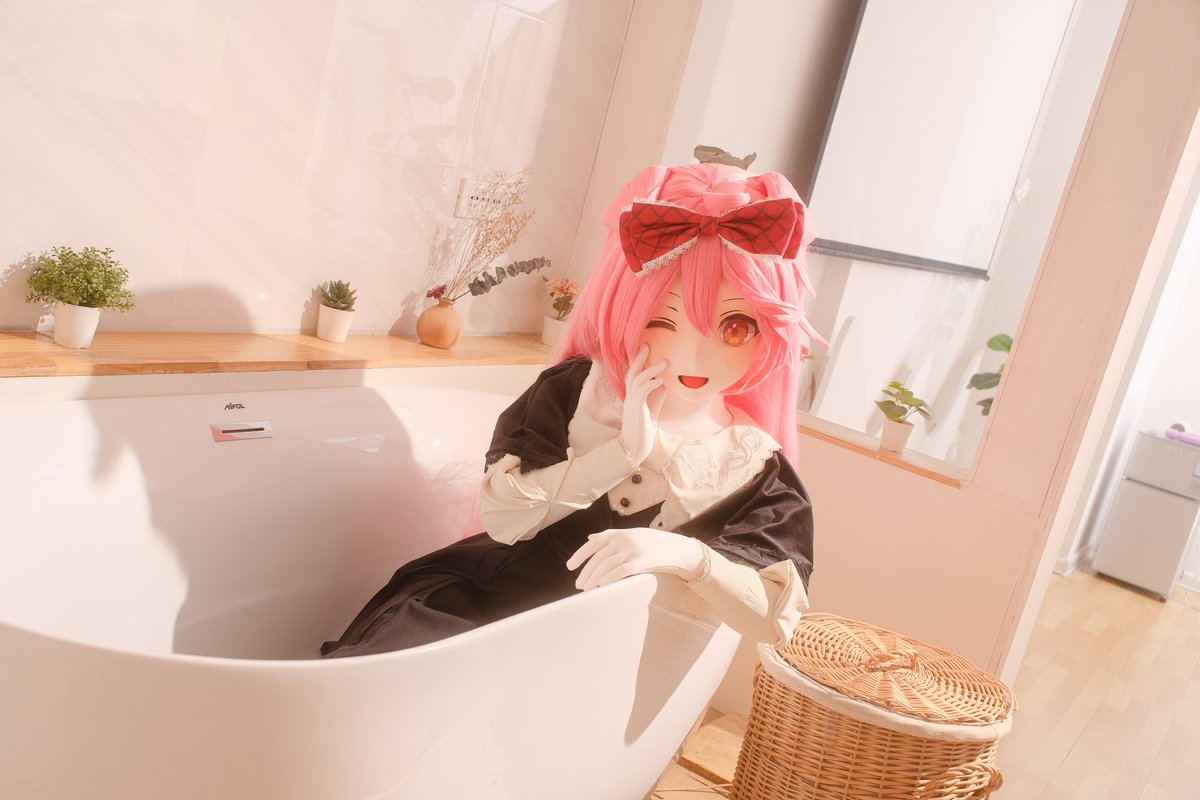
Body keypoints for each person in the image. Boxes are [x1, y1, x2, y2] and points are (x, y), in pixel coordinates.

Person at [321, 162, 820, 658]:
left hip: (600, 653)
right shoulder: (578, 390)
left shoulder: (754, 464)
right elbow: (505, 518)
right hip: (484, 607)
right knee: (379, 677)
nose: (694, 356)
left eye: (735, 328)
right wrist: (621, 453)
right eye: (662, 320)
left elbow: (776, 620)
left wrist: (689, 556)